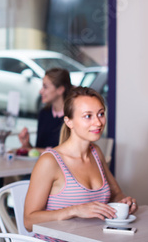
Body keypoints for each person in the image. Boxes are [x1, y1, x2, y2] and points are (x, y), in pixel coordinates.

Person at [24, 87, 137, 241]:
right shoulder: (50, 161)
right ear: (69, 121)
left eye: (101, 114)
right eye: (87, 116)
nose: (98, 122)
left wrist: (125, 202)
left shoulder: (96, 152)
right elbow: (28, 222)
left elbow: (117, 194)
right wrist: (75, 210)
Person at [18, 68, 73, 153]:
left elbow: (66, 154)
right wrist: (27, 144)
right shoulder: (44, 114)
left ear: (60, 90)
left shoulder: (71, 118)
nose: (40, 91)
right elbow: (38, 151)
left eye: (45, 87)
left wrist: (32, 150)